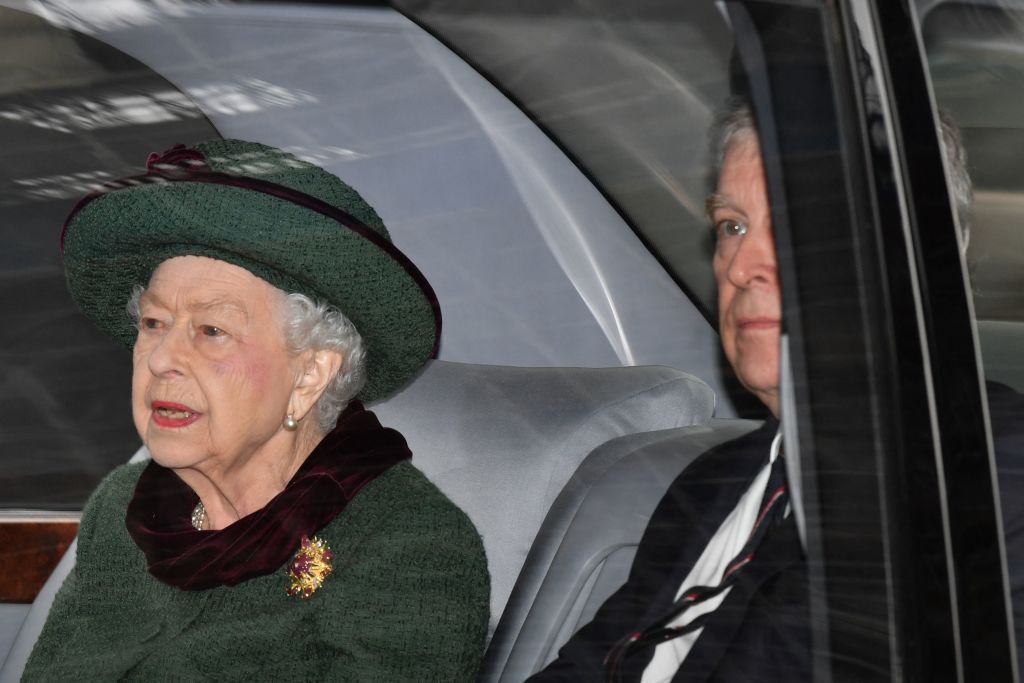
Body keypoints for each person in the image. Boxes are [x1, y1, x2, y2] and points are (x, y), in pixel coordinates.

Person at [531, 100, 1024, 681]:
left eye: (803, 223)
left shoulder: (993, 486)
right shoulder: (713, 483)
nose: (742, 265)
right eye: (731, 227)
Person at [22, 140, 489, 681]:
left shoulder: (408, 547)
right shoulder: (125, 507)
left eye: (212, 331)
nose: (162, 359)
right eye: (153, 323)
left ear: (310, 374)